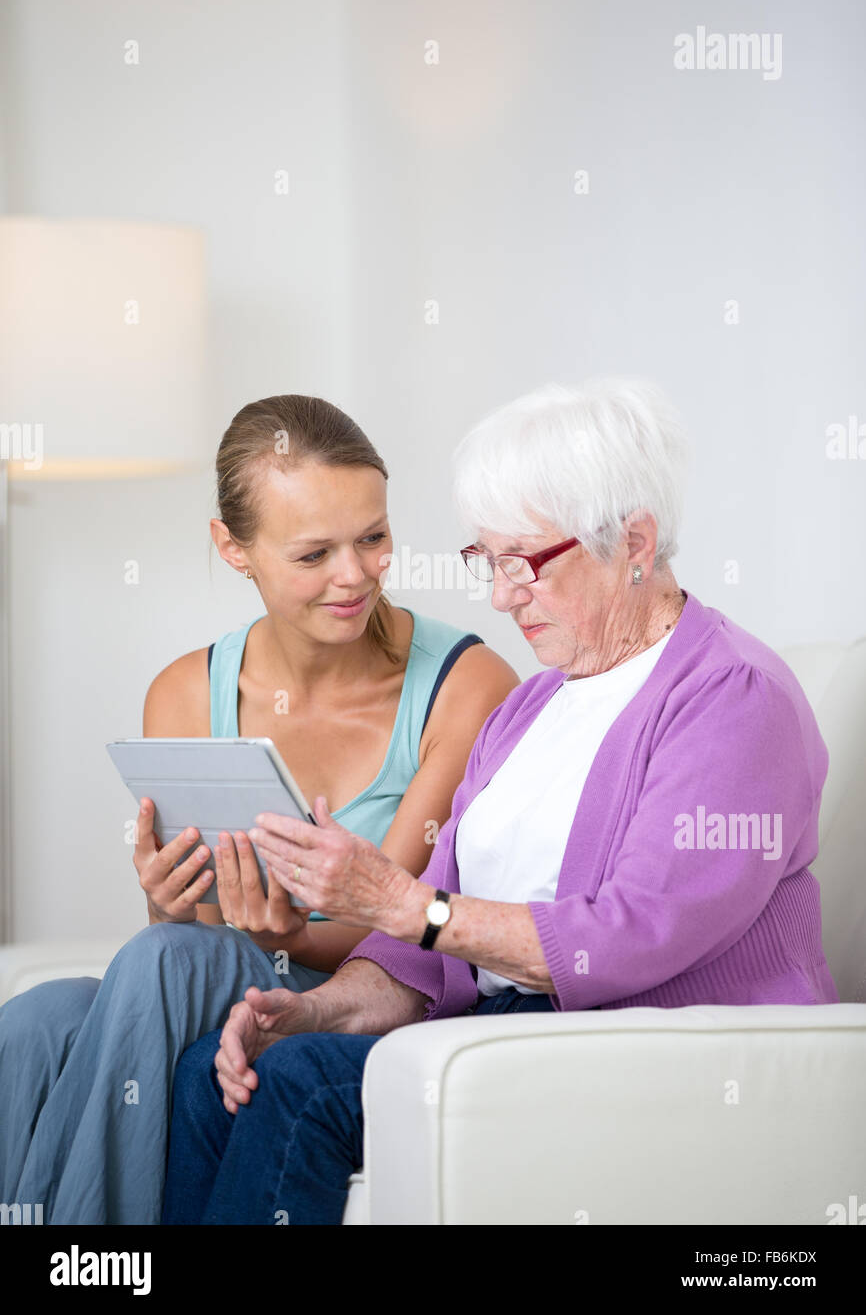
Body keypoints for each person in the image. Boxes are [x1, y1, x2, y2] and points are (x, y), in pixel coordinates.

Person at [162, 377, 839, 1226]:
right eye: (488, 561)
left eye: (524, 563)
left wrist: (403, 903)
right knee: (218, 1071)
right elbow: (428, 958)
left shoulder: (732, 698)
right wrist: (313, 1008)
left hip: (655, 1044)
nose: (500, 596)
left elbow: (627, 939)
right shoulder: (531, 707)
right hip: (513, 1025)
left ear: (633, 541)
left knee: (297, 1087)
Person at [0, 394, 518, 1224]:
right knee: (36, 1020)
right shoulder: (184, 690)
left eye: (373, 538)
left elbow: (407, 920)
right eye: (314, 553)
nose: (355, 576)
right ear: (231, 548)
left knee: (161, 959)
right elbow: (193, 926)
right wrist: (167, 896)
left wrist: (286, 937)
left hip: (367, 986)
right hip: (219, 980)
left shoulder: (466, 685)